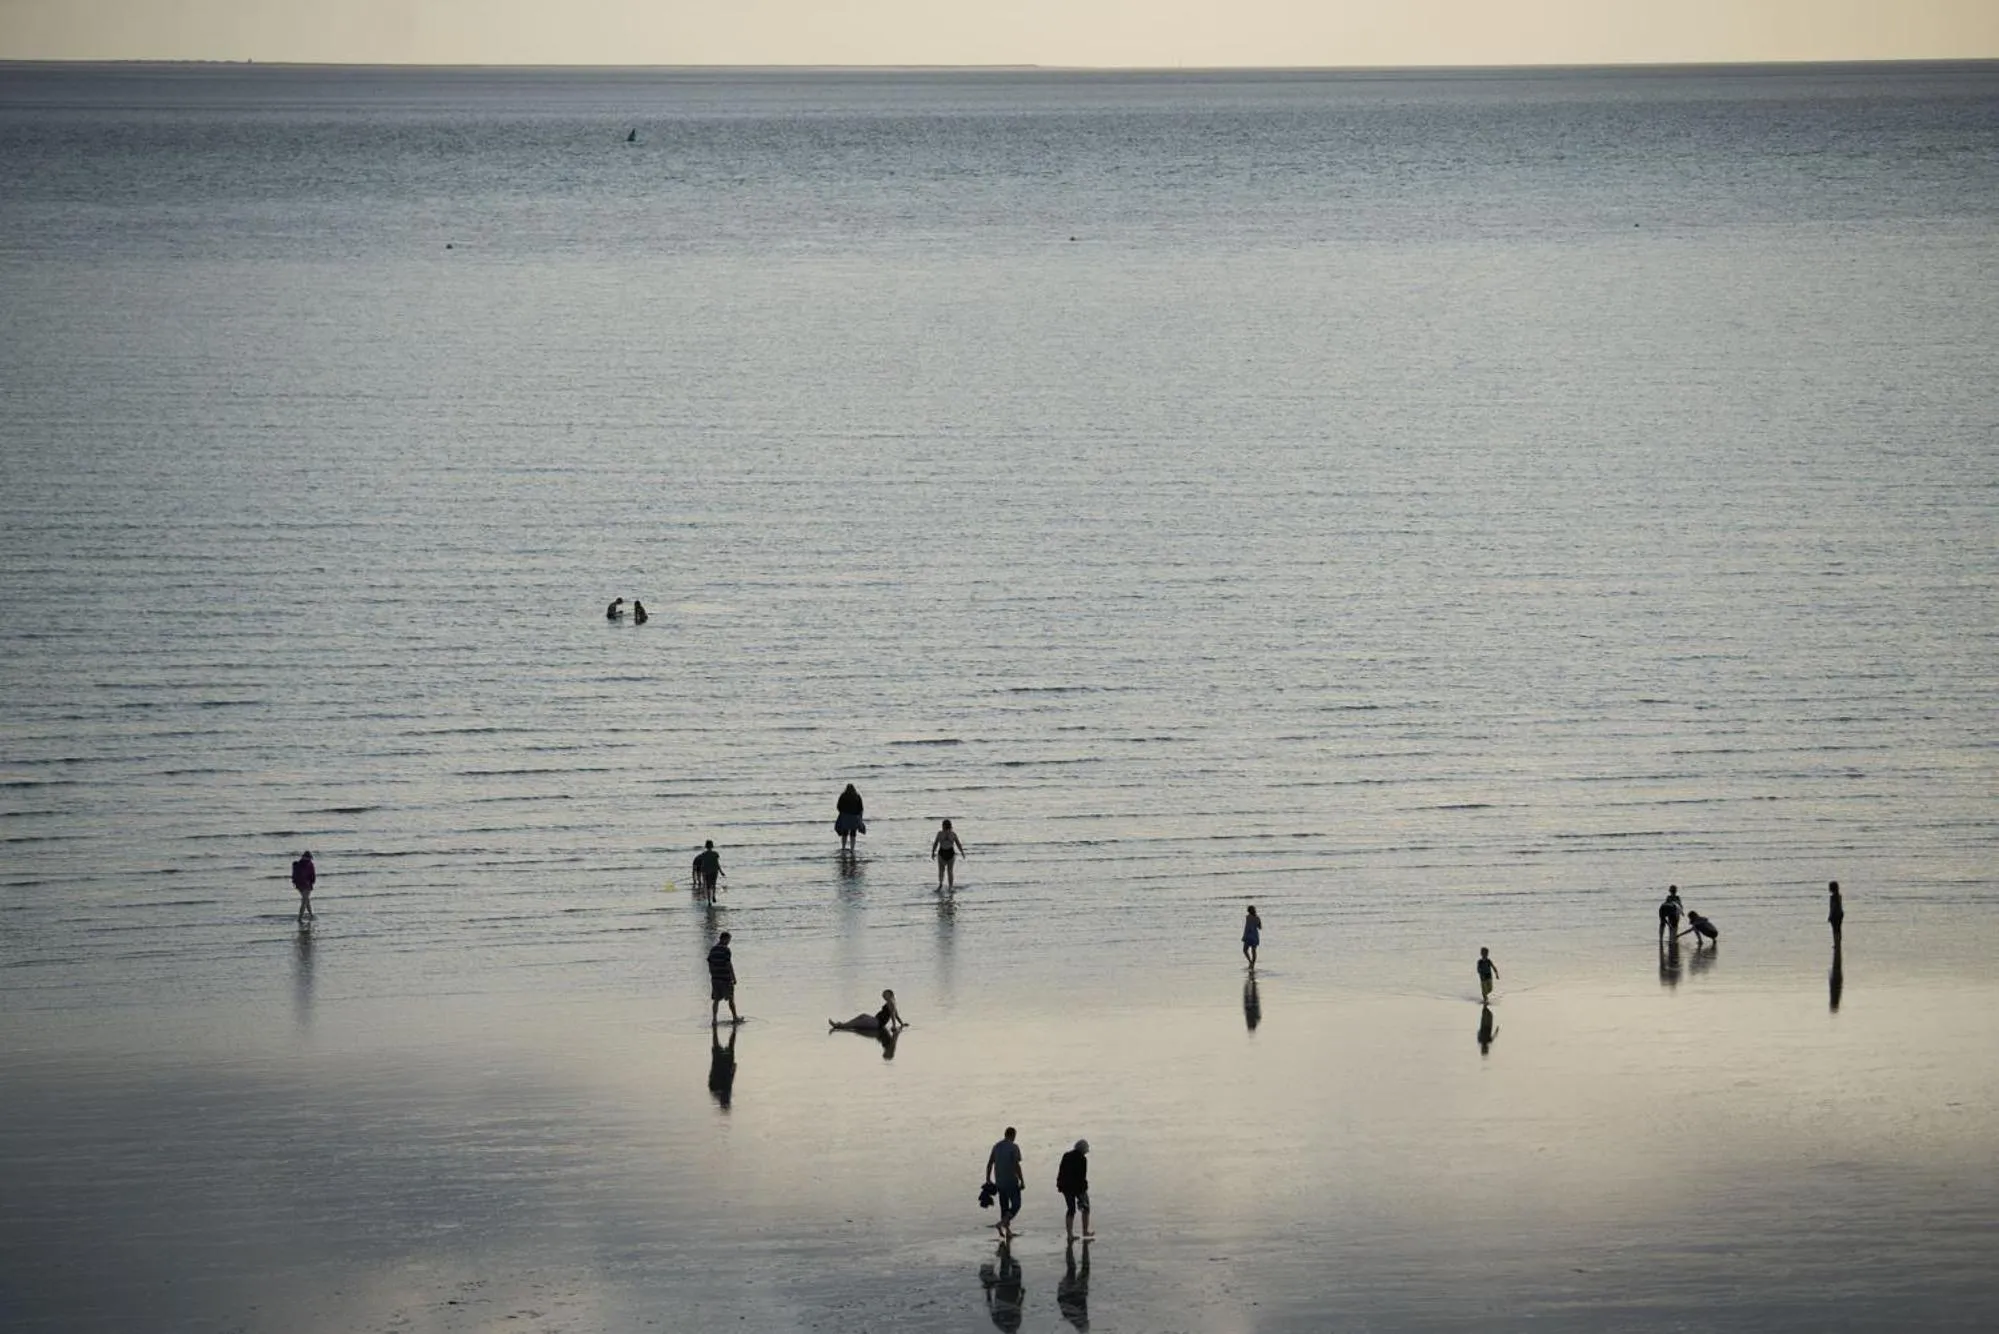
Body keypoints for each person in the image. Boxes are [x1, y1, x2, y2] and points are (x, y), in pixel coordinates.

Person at [985, 1126, 1024, 1239]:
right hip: (1011, 1180)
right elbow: (1016, 1165)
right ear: (1013, 1135)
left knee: (1004, 1207)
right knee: (1016, 1205)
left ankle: (1007, 1231)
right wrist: (1022, 1180)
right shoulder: (1014, 1147)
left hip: (999, 1182)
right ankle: (1002, 1224)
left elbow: (990, 1163)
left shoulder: (996, 1146)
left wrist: (988, 1178)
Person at [1056, 1139, 1092, 1240]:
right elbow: (1082, 1176)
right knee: (1086, 1208)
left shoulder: (1066, 1155)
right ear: (1083, 1149)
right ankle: (1085, 1231)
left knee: (1071, 1209)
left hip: (1065, 1186)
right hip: (1076, 1187)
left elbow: (1061, 1170)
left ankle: (1070, 1234)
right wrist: (1083, 1190)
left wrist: (1059, 1184)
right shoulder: (1082, 1159)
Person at [830, 988, 905, 1034]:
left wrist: (894, 1026)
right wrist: (902, 1024)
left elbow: (892, 1015)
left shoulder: (890, 1002)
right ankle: (841, 1025)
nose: (883, 996)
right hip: (877, 1022)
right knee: (861, 1017)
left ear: (890, 994)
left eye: (885, 994)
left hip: (877, 1023)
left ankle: (840, 1025)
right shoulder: (893, 1002)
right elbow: (897, 1015)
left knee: (859, 1020)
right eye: (883, 994)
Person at [1057, 1237, 1091, 1331]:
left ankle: (1073, 1247)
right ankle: (1079, 1248)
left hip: (1067, 1294)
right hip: (1069, 1294)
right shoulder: (1076, 1316)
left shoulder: (1075, 1316)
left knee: (1075, 1269)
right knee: (1077, 1270)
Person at [707, 931, 739, 1024]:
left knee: (716, 1000)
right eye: (729, 939)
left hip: (715, 978)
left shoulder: (713, 949)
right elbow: (728, 964)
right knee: (731, 998)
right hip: (725, 978)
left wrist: (712, 973)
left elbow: (709, 962)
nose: (729, 942)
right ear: (725, 939)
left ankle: (714, 1019)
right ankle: (735, 1017)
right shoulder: (726, 950)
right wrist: (733, 977)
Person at [707, 1024, 736, 1110]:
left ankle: (717, 1027)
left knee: (729, 1046)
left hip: (721, 1065)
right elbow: (711, 1078)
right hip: (721, 1064)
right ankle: (732, 1028)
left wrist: (733, 1070)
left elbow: (729, 1080)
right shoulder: (718, 1092)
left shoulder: (717, 1091)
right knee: (725, 1045)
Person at [932, 819, 967, 890]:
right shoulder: (951, 834)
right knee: (947, 871)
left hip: (948, 853)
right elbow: (936, 843)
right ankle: (945, 886)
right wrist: (962, 852)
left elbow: (958, 844)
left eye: (943, 825)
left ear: (944, 826)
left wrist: (933, 852)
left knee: (946, 871)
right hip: (944, 853)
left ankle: (945, 885)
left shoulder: (943, 834)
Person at [835, 783, 866, 851]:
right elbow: (861, 808)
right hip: (854, 817)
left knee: (845, 832)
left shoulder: (843, 796)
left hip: (845, 816)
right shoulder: (857, 796)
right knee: (853, 833)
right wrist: (859, 817)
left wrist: (843, 812)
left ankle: (843, 847)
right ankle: (852, 848)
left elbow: (838, 806)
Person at [290, 850, 316, 922]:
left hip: (300, 885)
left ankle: (311, 915)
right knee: (305, 900)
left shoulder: (297, 864)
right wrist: (312, 883)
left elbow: (294, 876)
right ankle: (300, 917)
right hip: (305, 885)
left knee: (306, 900)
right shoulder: (309, 864)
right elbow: (313, 875)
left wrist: (295, 882)